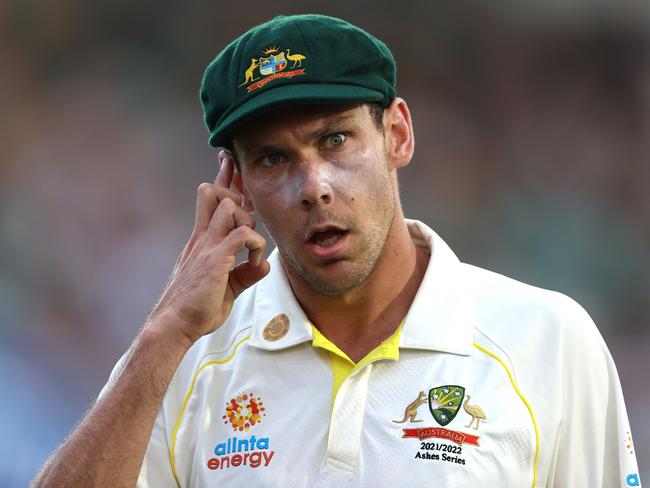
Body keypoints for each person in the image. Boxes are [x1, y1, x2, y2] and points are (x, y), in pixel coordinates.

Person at [33, 14, 641, 488]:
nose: (313, 186)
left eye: (335, 140)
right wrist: (162, 336)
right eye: (274, 158)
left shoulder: (548, 338)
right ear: (236, 184)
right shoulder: (185, 356)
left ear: (396, 134)